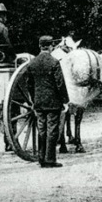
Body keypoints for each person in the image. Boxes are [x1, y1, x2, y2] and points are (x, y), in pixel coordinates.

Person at [27, 35, 69, 167]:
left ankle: (41, 158)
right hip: (53, 102)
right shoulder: (54, 62)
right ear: (50, 47)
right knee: (52, 129)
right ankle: (50, 159)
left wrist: (34, 99)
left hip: (39, 102)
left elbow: (29, 84)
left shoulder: (32, 63)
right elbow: (60, 83)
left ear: (40, 46)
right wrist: (65, 100)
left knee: (42, 129)